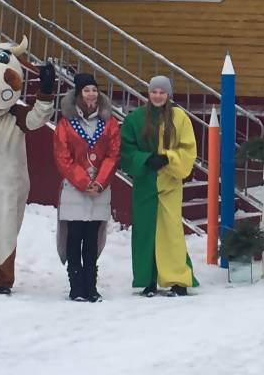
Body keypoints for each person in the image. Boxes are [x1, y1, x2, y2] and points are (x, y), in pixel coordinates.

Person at [119, 75, 198, 296]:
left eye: (162, 92)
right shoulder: (135, 119)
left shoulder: (179, 117)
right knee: (145, 232)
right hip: (145, 183)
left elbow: (188, 149)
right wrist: (145, 159)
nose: (158, 95)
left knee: (171, 231)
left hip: (169, 183)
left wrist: (169, 158)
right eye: (154, 91)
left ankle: (177, 279)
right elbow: (126, 149)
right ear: (148, 93)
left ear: (168, 94)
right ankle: (148, 279)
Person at [53, 73, 121, 302]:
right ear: (78, 94)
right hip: (74, 187)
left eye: (94, 89)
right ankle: (76, 286)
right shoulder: (66, 123)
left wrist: (99, 182)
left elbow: (113, 155)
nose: (91, 94)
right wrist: (83, 182)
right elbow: (63, 157)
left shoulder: (109, 122)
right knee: (74, 236)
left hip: (100, 188)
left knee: (92, 238)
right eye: (86, 90)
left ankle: (91, 286)